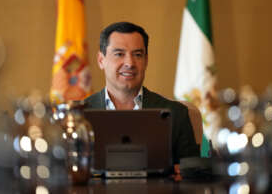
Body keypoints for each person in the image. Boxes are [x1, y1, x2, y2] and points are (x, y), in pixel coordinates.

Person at [84, 22, 200, 170]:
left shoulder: (176, 113)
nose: (129, 63)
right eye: (119, 54)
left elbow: (193, 175)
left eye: (137, 55)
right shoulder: (78, 114)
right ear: (101, 60)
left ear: (146, 60)